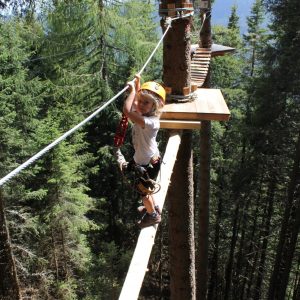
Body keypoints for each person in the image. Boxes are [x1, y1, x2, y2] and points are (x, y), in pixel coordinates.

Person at [115, 75, 166, 228]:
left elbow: (127, 110)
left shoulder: (150, 123)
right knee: (146, 189)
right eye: (141, 100)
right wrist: (138, 84)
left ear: (154, 106)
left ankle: (153, 215)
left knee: (144, 194)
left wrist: (131, 90)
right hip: (147, 160)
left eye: (146, 103)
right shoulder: (145, 115)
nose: (141, 105)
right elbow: (136, 105)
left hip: (146, 164)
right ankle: (153, 206)